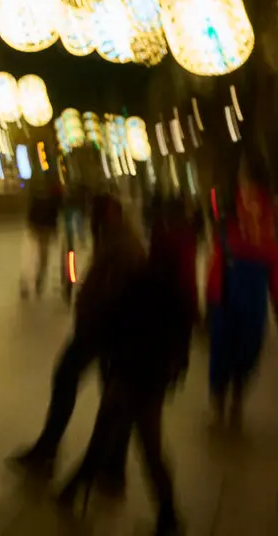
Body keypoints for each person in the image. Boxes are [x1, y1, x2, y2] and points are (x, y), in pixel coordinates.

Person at [57, 202, 195, 535]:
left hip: (130, 376)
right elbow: (181, 347)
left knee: (112, 433)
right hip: (153, 382)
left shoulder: (140, 282)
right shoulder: (179, 296)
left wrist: (109, 353)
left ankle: (78, 487)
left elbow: (115, 324)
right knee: (148, 447)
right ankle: (165, 514)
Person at [9, 194, 146, 483]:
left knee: (69, 378)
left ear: (107, 213)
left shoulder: (120, 244)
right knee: (108, 395)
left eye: (94, 214)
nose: (90, 221)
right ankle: (112, 468)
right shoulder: (119, 238)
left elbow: (112, 289)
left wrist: (86, 304)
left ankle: (52, 449)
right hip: (110, 331)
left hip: (102, 330)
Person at [205, 170, 278, 427]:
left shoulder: (267, 223)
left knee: (245, 348)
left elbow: (273, 263)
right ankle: (223, 401)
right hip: (229, 291)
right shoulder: (228, 220)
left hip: (245, 293)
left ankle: (231, 397)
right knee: (226, 349)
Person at [21, 181, 63, 298]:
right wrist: (54, 232)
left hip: (35, 229)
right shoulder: (54, 204)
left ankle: (25, 284)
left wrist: (30, 226)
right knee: (43, 258)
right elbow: (54, 220)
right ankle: (39, 281)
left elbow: (31, 215)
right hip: (45, 232)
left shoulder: (38, 199)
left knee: (29, 258)